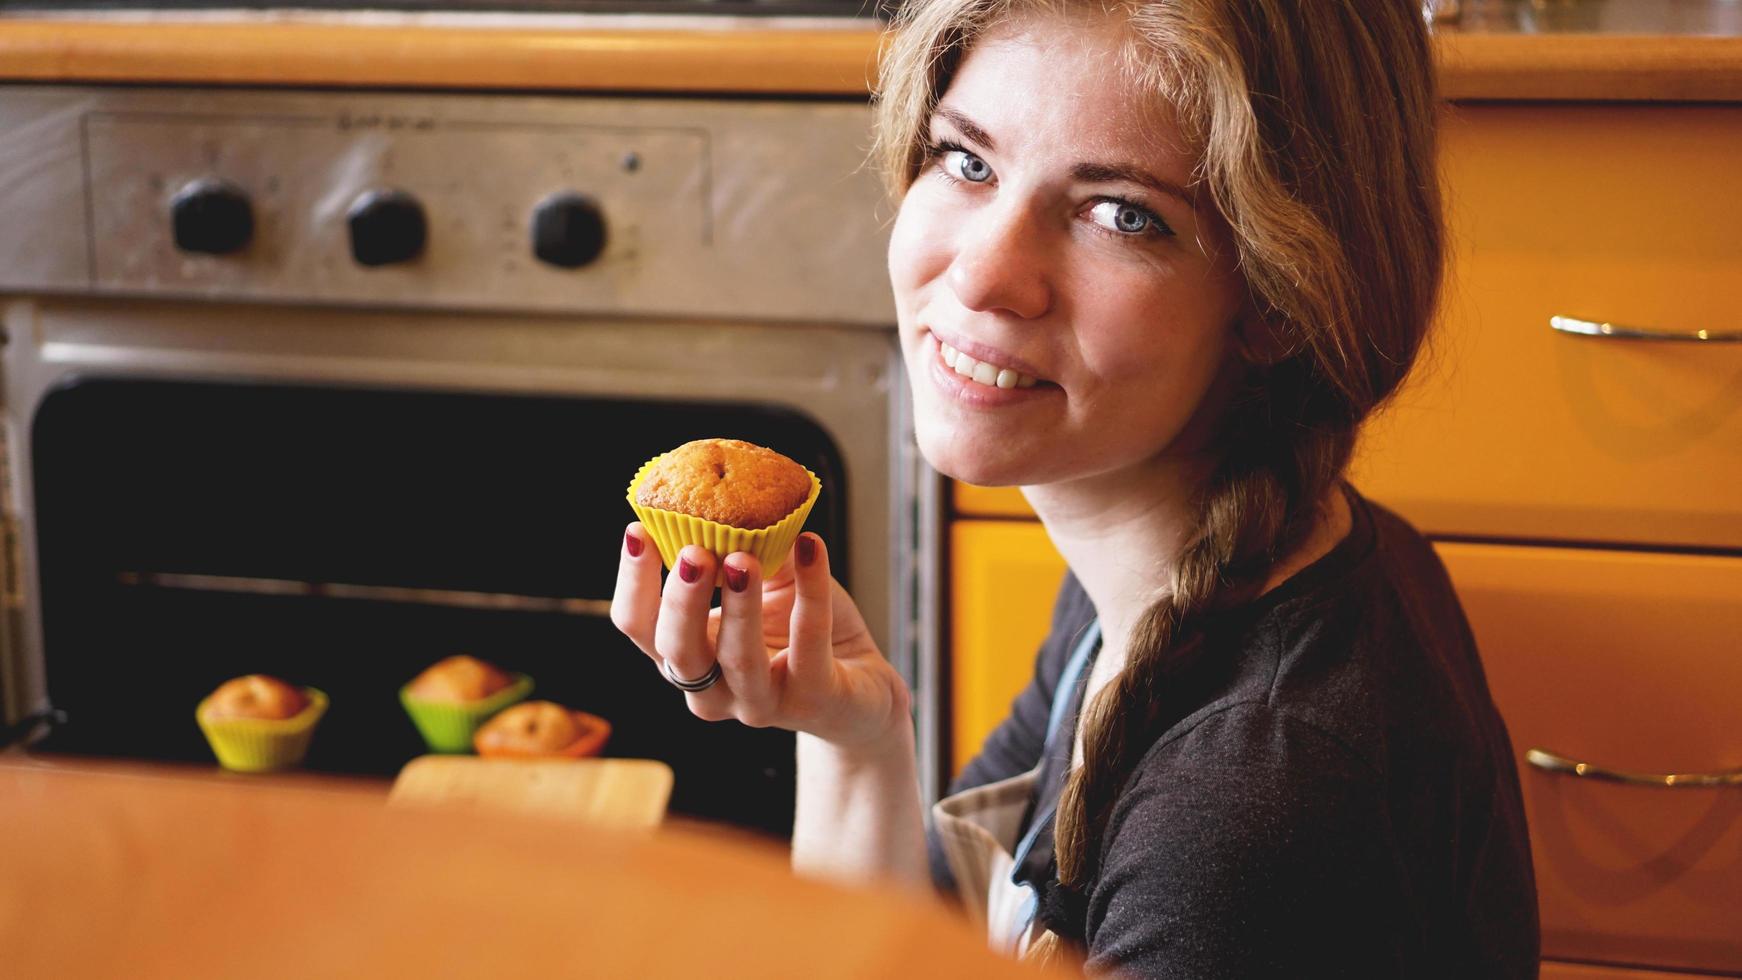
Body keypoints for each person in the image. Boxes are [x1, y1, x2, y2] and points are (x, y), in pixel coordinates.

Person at [610, 0, 1540, 975]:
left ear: (1278, 295)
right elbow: (922, 952)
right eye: (966, 160)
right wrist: (854, 735)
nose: (981, 275)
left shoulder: (1255, 802)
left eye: (1120, 213)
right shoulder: (1159, 584)